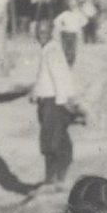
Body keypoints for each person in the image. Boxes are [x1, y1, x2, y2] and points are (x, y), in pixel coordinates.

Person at [32, 19, 77, 187]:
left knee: (52, 142)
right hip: (48, 101)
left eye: (44, 33)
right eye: (38, 33)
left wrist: (61, 103)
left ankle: (56, 179)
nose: (40, 36)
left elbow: (60, 77)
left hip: (54, 102)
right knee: (55, 140)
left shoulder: (52, 51)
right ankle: (54, 179)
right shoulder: (48, 49)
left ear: (50, 33)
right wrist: (35, 93)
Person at [54, 0, 88, 67]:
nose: (71, 7)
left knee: (72, 50)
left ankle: (70, 64)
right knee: (65, 49)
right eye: (70, 5)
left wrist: (78, 26)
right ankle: (65, 63)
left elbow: (85, 21)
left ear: (75, 6)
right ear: (68, 6)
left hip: (73, 34)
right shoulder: (64, 14)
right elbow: (56, 21)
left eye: (73, 5)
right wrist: (61, 27)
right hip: (65, 33)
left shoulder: (78, 14)